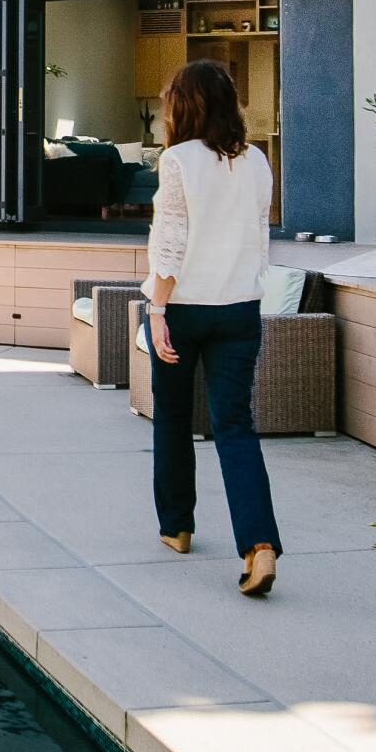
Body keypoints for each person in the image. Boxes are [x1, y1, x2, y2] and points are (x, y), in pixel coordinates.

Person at [141, 60, 282, 597]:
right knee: (235, 426)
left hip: (184, 307)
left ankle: (177, 526)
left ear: (185, 105)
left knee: (173, 419)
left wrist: (156, 310)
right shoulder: (258, 162)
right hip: (240, 306)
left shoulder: (177, 161)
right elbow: (257, 235)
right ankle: (259, 546)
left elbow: (170, 242)